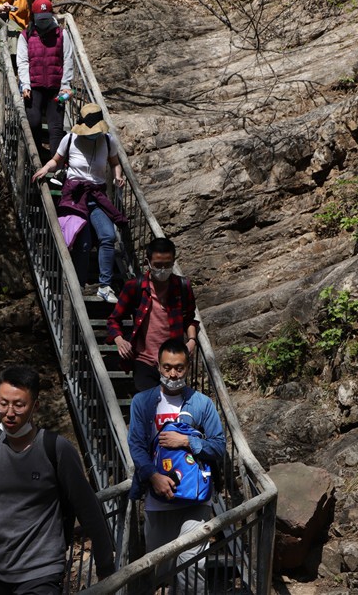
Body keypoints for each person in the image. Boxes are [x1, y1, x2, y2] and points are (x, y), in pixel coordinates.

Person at [0, 366, 116, 594]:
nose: (9, 412)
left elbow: (87, 508)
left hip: (42, 572)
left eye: (19, 405)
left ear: (35, 406)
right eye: (3, 403)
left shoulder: (56, 449)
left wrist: (105, 564)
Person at [127, 339, 225, 594]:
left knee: (192, 565)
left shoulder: (202, 403)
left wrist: (187, 441)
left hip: (195, 500)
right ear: (158, 366)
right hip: (157, 499)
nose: (173, 374)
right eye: (167, 367)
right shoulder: (142, 402)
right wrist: (153, 476)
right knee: (159, 569)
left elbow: (219, 447)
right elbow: (136, 445)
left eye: (179, 368)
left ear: (188, 368)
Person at [32, 103, 127, 303]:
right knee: (82, 243)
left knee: (108, 236)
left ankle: (105, 286)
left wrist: (118, 176)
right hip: (75, 196)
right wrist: (45, 169)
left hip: (97, 196)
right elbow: (57, 160)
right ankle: (79, 284)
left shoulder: (108, 140)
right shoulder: (70, 139)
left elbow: (115, 163)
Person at [106, 237, 200, 391]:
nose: (163, 269)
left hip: (173, 363)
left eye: (167, 265)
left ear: (173, 261)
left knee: (172, 404)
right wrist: (120, 340)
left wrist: (191, 341)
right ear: (148, 262)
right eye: (158, 265)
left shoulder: (182, 286)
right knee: (148, 403)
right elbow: (113, 320)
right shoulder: (134, 287)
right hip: (144, 361)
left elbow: (189, 318)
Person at [17, 0, 73, 162]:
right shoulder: (26, 35)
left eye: (46, 18)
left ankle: (56, 167)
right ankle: (35, 161)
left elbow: (68, 59)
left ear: (51, 15)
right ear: (34, 17)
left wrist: (65, 84)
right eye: (40, 19)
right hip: (34, 86)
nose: (43, 22)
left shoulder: (62, 34)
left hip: (56, 88)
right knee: (33, 123)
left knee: (56, 128)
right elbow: (22, 61)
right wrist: (25, 84)